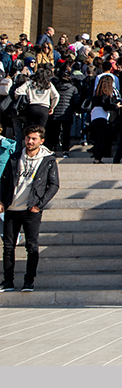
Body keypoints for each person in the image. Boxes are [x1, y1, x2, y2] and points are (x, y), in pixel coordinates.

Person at [0, 125, 59, 292]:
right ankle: (8, 281)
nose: (30, 141)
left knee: (31, 246)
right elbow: (4, 181)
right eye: (28, 138)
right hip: (11, 208)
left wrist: (39, 205)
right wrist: (1, 201)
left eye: (34, 138)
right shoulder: (15, 157)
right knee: (8, 246)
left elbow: (54, 185)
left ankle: (29, 281)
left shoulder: (48, 160)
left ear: (41, 141)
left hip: (31, 210)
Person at [91, 74, 122, 163]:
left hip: (95, 115)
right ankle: (97, 158)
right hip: (102, 116)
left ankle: (97, 157)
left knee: (99, 138)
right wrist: (115, 106)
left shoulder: (97, 93)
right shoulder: (105, 94)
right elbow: (105, 106)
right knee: (102, 138)